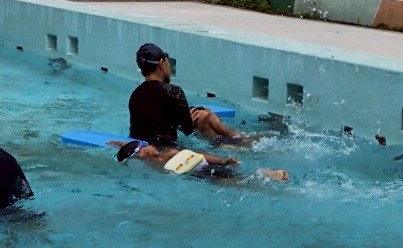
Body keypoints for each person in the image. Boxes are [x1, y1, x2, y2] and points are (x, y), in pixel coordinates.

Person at [128, 42, 256, 148]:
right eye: (168, 62)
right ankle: (248, 142)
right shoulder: (173, 91)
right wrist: (198, 115)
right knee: (210, 123)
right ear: (162, 63)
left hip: (144, 150)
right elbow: (188, 129)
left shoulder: (135, 95)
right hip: (170, 150)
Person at [114, 139, 287, 182]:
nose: (149, 146)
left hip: (203, 171)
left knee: (234, 181)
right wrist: (119, 144)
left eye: (146, 146)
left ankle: (268, 174)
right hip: (196, 174)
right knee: (235, 180)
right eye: (143, 148)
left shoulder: (168, 154)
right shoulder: (151, 163)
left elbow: (198, 154)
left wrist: (223, 161)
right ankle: (265, 175)